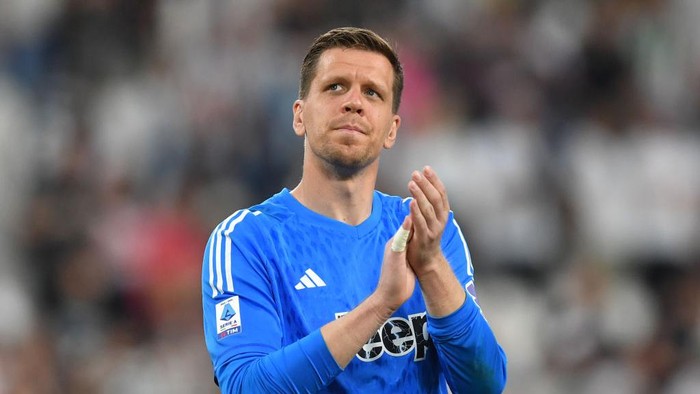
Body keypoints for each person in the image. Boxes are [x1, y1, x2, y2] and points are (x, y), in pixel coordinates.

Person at [201, 26, 507, 393]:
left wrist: (430, 265)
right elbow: (246, 387)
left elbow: (485, 385)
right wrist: (381, 304)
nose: (354, 102)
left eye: (373, 93)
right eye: (335, 87)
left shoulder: (426, 230)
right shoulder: (246, 240)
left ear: (392, 130)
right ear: (299, 116)